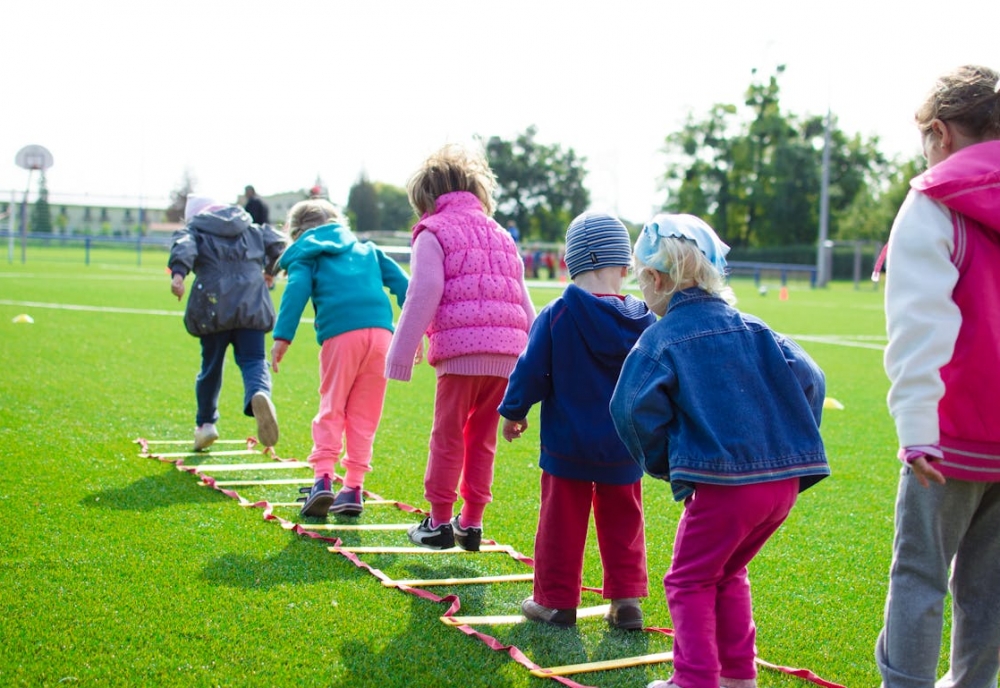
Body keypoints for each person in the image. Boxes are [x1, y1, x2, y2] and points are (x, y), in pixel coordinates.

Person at [609, 213, 829, 688]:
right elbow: (812, 378)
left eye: (641, 280)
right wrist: (791, 442)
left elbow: (629, 408)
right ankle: (738, 677)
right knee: (728, 572)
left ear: (654, 278)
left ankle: (694, 680)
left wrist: (668, 464)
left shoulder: (661, 338)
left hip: (726, 489)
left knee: (687, 580)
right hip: (782, 487)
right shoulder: (756, 327)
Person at [875, 65, 1000, 688]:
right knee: (989, 588)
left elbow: (919, 326)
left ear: (942, 133)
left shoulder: (932, 202)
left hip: (950, 435)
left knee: (919, 576)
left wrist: (918, 428)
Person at [498, 211, 657, 630]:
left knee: (560, 523)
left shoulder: (557, 314)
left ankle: (556, 601)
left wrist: (514, 411)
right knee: (625, 521)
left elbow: (531, 369)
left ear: (569, 263)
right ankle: (626, 602)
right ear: (625, 266)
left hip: (567, 444)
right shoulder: (646, 320)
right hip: (625, 445)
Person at [385, 143, 535, 551]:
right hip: (508, 355)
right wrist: (536, 362)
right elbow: (524, 300)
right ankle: (470, 523)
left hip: (461, 353)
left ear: (427, 199)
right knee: (481, 438)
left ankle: (437, 523)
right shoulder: (501, 234)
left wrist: (401, 352)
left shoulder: (432, 231)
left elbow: (425, 290)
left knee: (447, 436)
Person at [270, 199, 409, 517]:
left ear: (296, 233)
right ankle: (353, 488)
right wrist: (415, 332)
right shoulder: (368, 250)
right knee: (365, 414)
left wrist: (282, 337)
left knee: (332, 406)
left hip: (341, 334)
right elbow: (406, 287)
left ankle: (322, 480)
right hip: (382, 336)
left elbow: (297, 289)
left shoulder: (308, 254)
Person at [168, 195, 286, 451]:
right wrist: (270, 271)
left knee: (211, 366)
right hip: (252, 302)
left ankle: (206, 424)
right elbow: (278, 243)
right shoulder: (250, 226)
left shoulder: (196, 230)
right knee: (254, 359)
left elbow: (184, 246)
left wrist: (178, 275)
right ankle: (259, 392)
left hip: (213, 305)